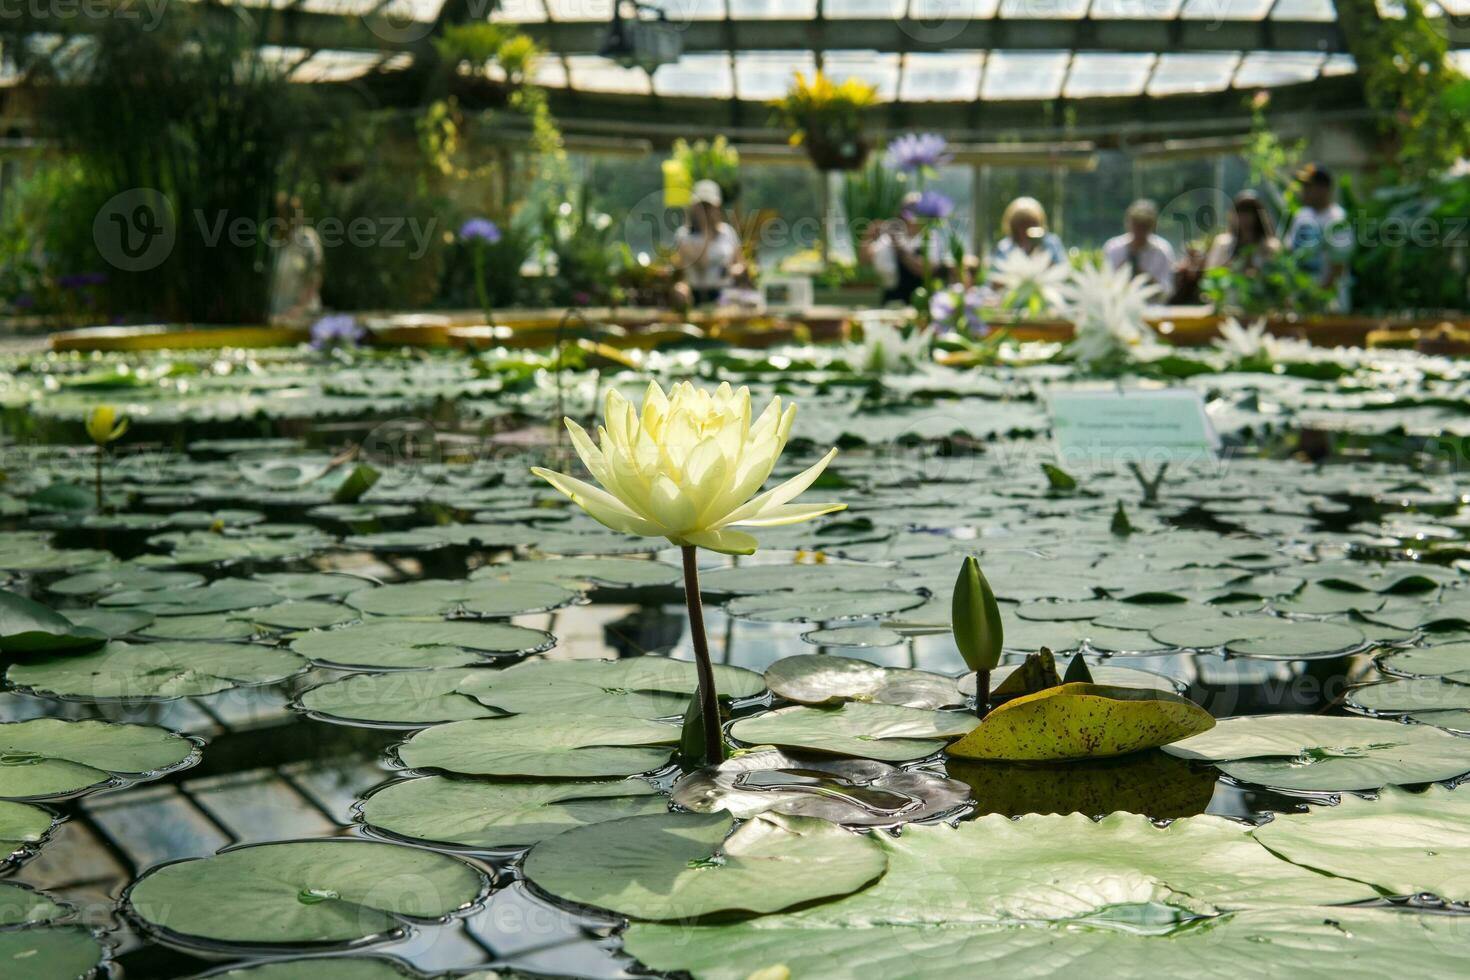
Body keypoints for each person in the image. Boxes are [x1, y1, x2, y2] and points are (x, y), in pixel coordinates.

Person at [1284, 164, 1352, 311]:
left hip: (1329, 303)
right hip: (1301, 300)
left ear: (1324, 189)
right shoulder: (1301, 215)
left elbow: (1338, 265)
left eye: (1309, 187)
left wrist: (1317, 297)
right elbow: (1290, 253)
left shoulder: (1337, 219)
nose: (1304, 191)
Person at [859, 191, 944, 305]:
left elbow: (926, 269)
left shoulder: (930, 236)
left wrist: (899, 249)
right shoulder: (890, 235)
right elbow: (865, 260)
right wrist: (869, 235)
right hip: (891, 299)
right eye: (906, 209)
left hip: (921, 301)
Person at [672, 180, 743, 307]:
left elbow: (740, 263)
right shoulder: (684, 235)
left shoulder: (728, 232)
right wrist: (706, 231)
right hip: (695, 297)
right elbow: (701, 265)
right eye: (701, 207)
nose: (706, 211)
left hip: (724, 296)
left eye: (709, 207)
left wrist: (732, 271)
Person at [268, 193, 323, 324]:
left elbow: (315, 277)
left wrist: (299, 309)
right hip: (276, 316)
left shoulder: (307, 239)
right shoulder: (273, 244)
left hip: (305, 317)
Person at [1104, 199, 1175, 296]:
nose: (1139, 230)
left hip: (1154, 307)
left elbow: (1167, 290)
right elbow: (1105, 286)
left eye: (1144, 225)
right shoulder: (1113, 248)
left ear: (1152, 225)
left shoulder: (1162, 250)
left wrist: (1144, 277)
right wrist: (1121, 273)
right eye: (1136, 224)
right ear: (1128, 223)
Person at [1204, 191, 1280, 276]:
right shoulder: (1223, 245)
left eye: (1249, 212)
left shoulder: (1270, 247)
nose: (1245, 217)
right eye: (1240, 212)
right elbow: (1211, 273)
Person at [991, 196, 1067, 268]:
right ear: (1013, 226)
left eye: (1032, 223)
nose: (1026, 229)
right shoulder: (1004, 248)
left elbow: (1063, 268)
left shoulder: (1051, 244)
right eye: (1022, 224)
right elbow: (995, 276)